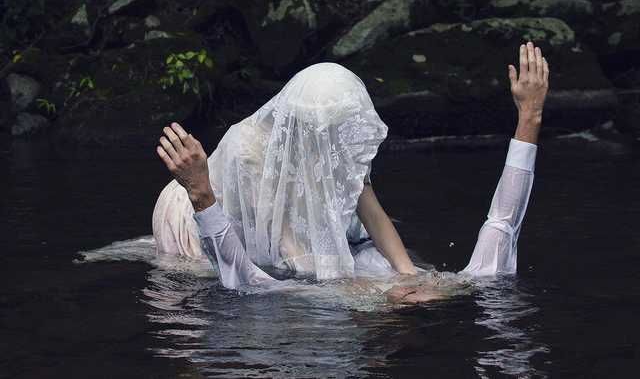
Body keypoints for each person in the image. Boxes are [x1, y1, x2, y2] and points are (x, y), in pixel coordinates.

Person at [154, 41, 549, 304]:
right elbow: (283, 267)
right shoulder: (247, 151)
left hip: (241, 217)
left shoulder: (333, 140)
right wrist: (201, 193)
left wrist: (407, 274)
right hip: (197, 206)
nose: (339, 139)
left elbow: (370, 207)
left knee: (381, 263)